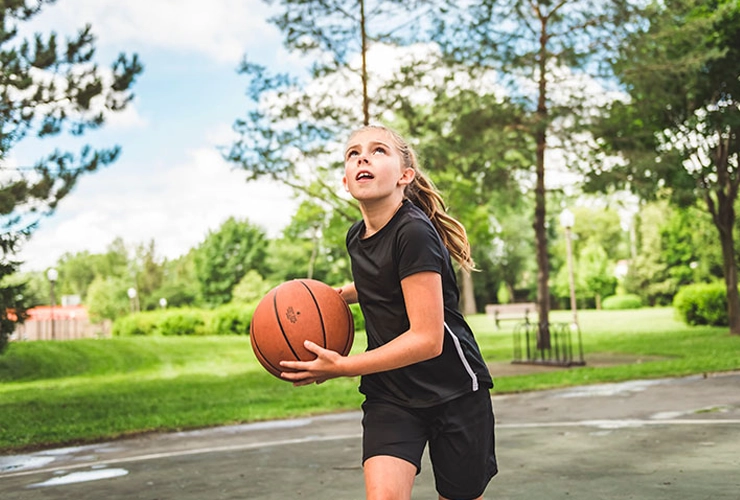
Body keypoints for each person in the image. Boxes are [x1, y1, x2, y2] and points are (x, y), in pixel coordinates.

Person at [280, 124, 497, 500]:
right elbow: (383, 282)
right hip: (391, 393)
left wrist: (342, 367)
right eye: (353, 153)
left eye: (379, 150)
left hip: (453, 391)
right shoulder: (356, 236)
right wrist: (337, 296)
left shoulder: (413, 232)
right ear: (346, 182)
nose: (363, 157)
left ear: (404, 175)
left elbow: (427, 340)